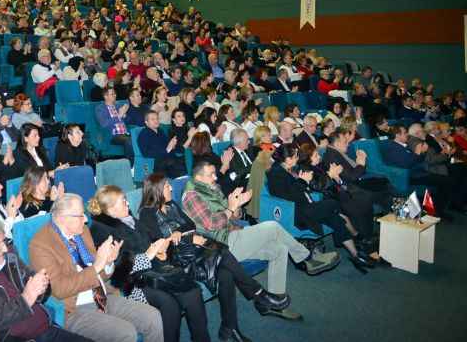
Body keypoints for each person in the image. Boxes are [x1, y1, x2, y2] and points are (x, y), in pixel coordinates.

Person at [137, 174, 292, 341]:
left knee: (226, 273)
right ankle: (259, 294)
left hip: (195, 254)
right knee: (223, 254)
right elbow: (158, 243)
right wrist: (187, 237)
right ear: (157, 189)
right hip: (179, 263)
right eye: (168, 186)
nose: (172, 188)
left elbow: (190, 224)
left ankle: (230, 327)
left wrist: (179, 233)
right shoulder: (146, 214)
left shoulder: (172, 205)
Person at [181, 161, 340, 320]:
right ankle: (306, 258)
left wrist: (237, 205)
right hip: (221, 246)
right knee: (272, 227)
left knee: (279, 250)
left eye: (215, 173)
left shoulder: (210, 188)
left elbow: (233, 217)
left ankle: (273, 304)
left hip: (232, 234)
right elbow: (211, 224)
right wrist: (230, 208)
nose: (215, 177)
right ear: (198, 177)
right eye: (211, 175)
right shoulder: (191, 196)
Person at [29, 194, 164, 342]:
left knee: (153, 317)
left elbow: (101, 275)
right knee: (126, 332)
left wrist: (108, 263)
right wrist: (97, 266)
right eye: (80, 216)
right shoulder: (41, 245)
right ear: (63, 218)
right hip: (75, 309)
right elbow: (60, 289)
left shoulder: (83, 232)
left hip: (104, 296)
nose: (86, 219)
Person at [88, 185, 209, 342]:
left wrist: (161, 250)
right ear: (110, 209)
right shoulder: (100, 231)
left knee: (192, 292)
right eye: (123, 201)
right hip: (131, 283)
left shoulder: (129, 219)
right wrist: (148, 255)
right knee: (170, 304)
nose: (128, 204)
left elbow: (151, 241)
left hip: (155, 272)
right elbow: (117, 271)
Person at [0, 217, 92, 342]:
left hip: (45, 329)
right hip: (13, 338)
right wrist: (25, 299)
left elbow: (32, 283)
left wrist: (42, 287)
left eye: (4, 241)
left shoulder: (9, 256)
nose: (5, 249)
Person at [268, 144, 375, 273]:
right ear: (287, 159)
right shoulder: (276, 173)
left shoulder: (290, 168)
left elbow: (301, 190)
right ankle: (357, 237)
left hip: (307, 205)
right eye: (295, 155)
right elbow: (286, 197)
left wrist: (303, 183)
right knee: (333, 203)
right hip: (295, 212)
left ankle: (356, 255)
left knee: (336, 219)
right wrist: (303, 182)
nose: (298, 158)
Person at [380, 125, 457, 220]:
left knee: (445, 180)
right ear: (397, 135)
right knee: (447, 181)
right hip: (409, 176)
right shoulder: (392, 147)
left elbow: (416, 160)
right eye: (404, 133)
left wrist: (422, 152)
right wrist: (417, 152)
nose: (407, 134)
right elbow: (406, 164)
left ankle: (435, 210)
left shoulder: (403, 145)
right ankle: (438, 212)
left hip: (418, 173)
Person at [138, 111, 186, 178]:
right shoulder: (144, 133)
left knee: (181, 159)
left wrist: (173, 145)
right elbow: (146, 153)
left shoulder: (160, 131)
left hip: (167, 158)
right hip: (156, 161)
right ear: (146, 122)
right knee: (174, 163)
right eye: (153, 119)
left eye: (157, 118)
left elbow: (168, 146)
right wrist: (166, 150)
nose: (156, 121)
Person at [95, 87, 134, 161]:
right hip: (113, 135)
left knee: (138, 137)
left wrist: (125, 115)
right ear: (105, 96)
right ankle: (131, 166)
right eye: (112, 94)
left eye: (115, 94)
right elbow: (104, 124)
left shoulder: (118, 106)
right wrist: (119, 115)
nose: (115, 95)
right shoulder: (100, 108)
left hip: (125, 133)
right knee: (130, 140)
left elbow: (129, 121)